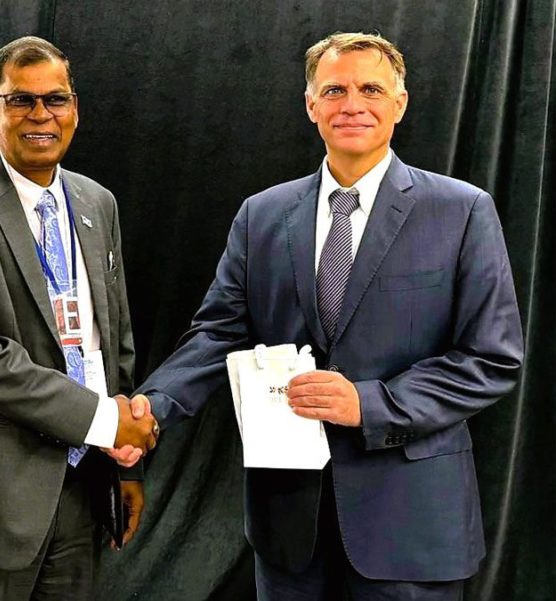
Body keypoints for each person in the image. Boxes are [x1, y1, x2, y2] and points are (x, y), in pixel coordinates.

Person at [132, 32, 523, 599]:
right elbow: (218, 333)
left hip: (410, 525)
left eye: (371, 90)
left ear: (400, 104)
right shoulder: (262, 215)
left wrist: (368, 404)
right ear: (311, 104)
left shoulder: (461, 211)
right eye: (335, 90)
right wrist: (152, 407)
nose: (352, 105)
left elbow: (492, 358)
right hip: (289, 528)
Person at [0, 36, 157, 600]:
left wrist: (126, 463)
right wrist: (105, 421)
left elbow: (112, 341)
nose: (41, 114)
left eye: (55, 99)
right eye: (21, 100)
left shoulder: (97, 202)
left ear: (74, 110)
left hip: (83, 485)